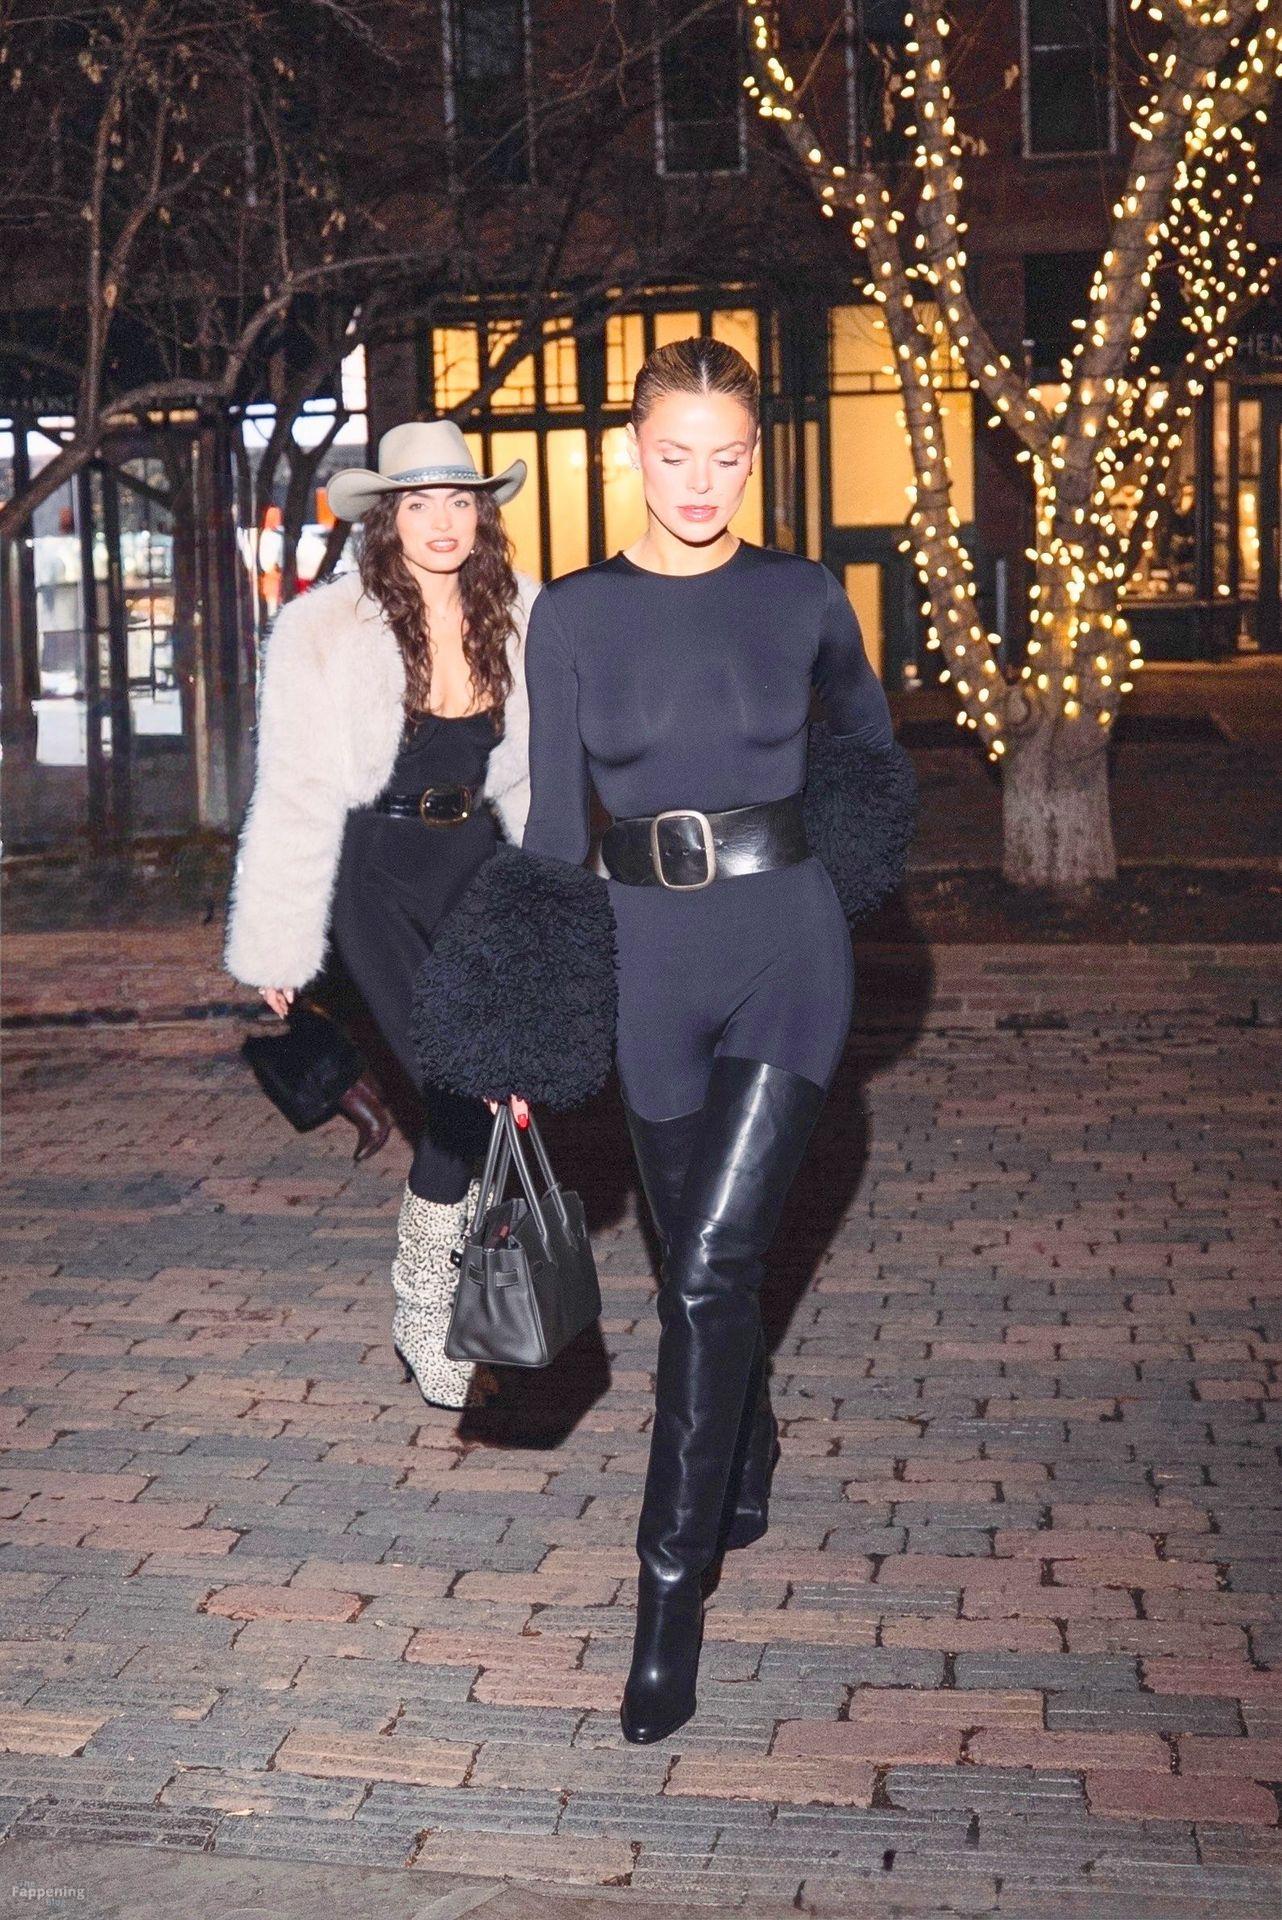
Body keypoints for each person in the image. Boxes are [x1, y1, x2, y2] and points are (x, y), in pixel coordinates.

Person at [519, 339, 900, 1743]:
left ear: (755, 453)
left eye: (725, 456)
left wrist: (839, 880)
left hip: (786, 951)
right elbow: (550, 831)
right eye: (674, 454)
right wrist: (524, 1017)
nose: (699, 481)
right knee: (698, 1269)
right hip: (643, 966)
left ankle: (664, 1610)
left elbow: (868, 758)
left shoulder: (803, 596)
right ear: (632, 451)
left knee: (708, 1272)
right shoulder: (572, 615)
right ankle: (744, 1429)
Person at [224, 420, 537, 1411]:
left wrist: (550, 903)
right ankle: (424, 1299)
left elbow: (538, 779)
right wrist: (278, 939)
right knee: (456, 1083)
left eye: (459, 501)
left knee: (496, 1101)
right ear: (387, 517)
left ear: (482, 514)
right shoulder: (324, 629)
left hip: (479, 869)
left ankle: (448, 1291)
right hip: (374, 878)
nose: (441, 521)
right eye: (419, 503)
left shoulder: (522, 615)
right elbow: (294, 787)